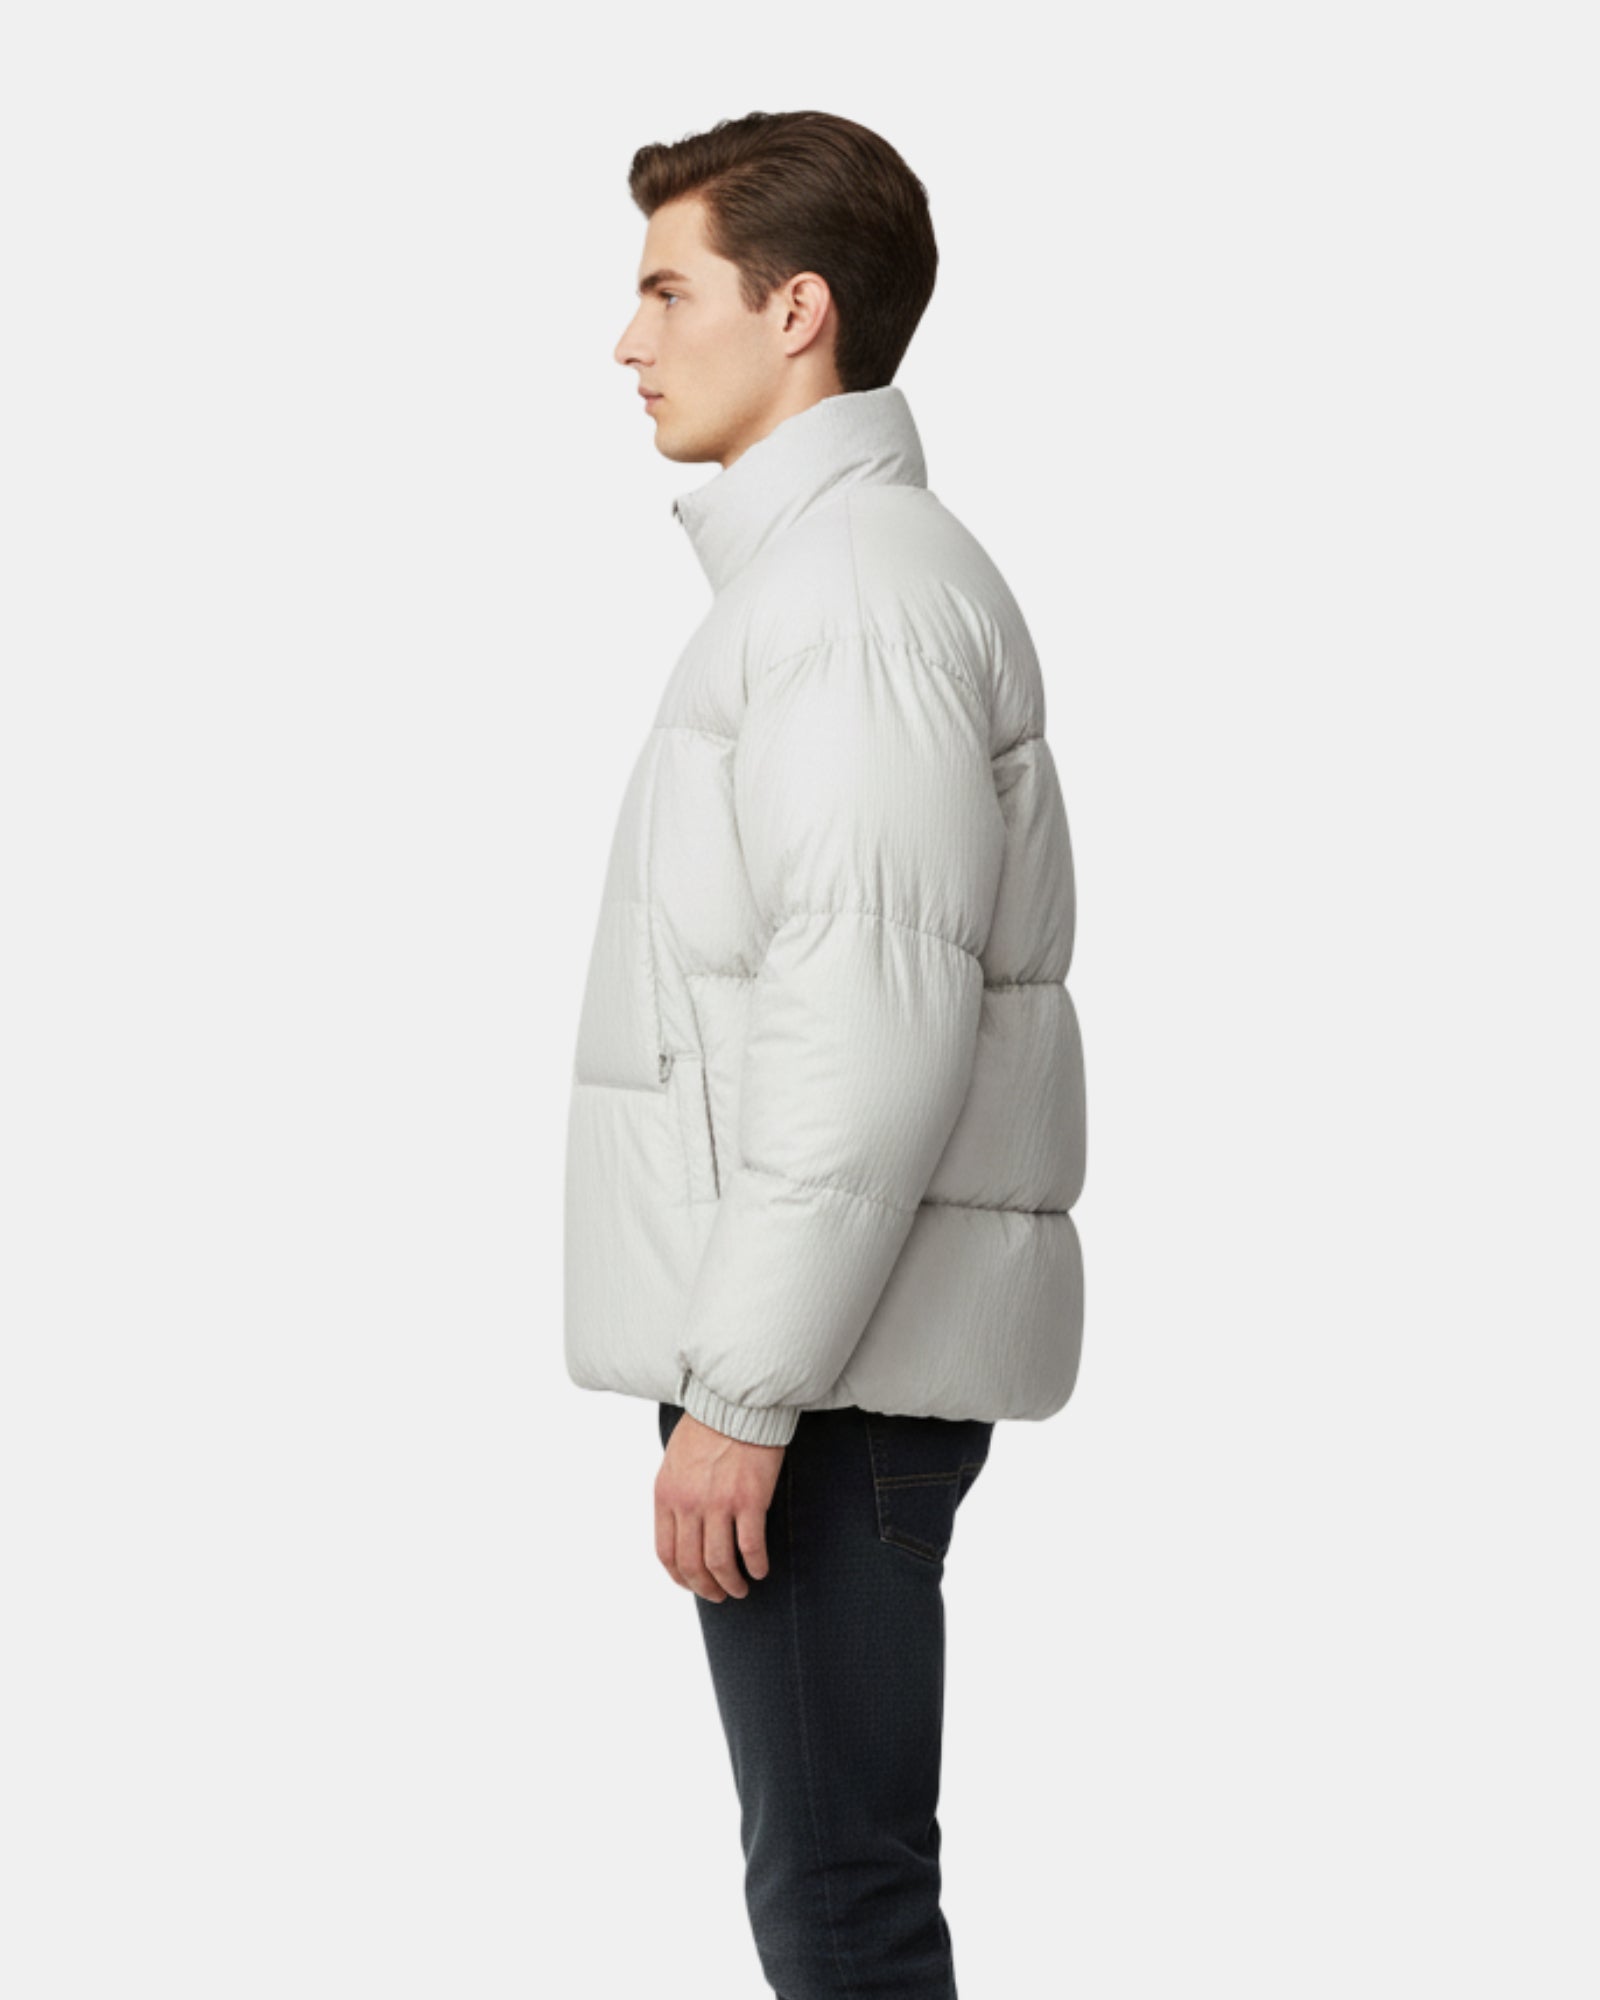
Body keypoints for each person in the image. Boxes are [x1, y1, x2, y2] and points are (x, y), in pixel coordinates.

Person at [563, 108, 1087, 1999]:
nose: (627, 342)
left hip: (824, 1377)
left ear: (797, 313)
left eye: (666, 291)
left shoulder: (851, 599)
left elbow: (869, 1027)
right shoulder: (834, 583)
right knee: (841, 1890)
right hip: (833, 1359)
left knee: (843, 1909)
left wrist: (742, 1395)